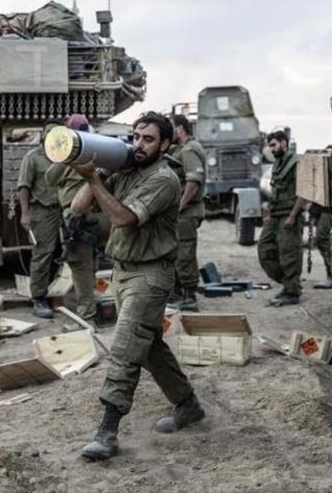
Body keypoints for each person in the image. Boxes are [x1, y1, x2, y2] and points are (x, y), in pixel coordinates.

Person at [70, 111, 204, 461]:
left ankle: (107, 430)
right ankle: (187, 404)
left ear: (164, 143)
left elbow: (123, 218)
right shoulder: (125, 170)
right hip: (124, 273)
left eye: (148, 139)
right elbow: (77, 206)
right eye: (135, 137)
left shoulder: (164, 179)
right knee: (146, 346)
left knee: (126, 347)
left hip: (151, 275)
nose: (138, 145)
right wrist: (97, 175)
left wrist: (98, 182)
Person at [44, 114, 106, 326]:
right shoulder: (98, 151)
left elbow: (49, 179)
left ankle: (86, 321)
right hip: (98, 217)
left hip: (77, 219)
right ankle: (93, 313)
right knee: (91, 267)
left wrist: (64, 154)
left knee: (80, 270)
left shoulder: (71, 154)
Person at [18, 124, 63, 318]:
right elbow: (23, 187)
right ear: (44, 137)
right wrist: (25, 213)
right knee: (42, 255)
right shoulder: (32, 157)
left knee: (71, 252)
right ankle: (38, 299)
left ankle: (66, 296)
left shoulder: (64, 156)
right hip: (42, 211)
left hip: (64, 209)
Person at [257, 130, 305, 306]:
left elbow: (303, 192)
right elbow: (274, 191)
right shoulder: (277, 164)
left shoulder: (295, 162)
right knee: (264, 249)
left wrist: (293, 216)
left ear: (284, 143)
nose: (271, 149)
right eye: (269, 146)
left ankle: (292, 291)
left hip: (289, 214)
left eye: (274, 145)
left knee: (289, 253)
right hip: (275, 214)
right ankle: (287, 283)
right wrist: (268, 213)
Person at [166, 114, 206, 312]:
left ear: (180, 129)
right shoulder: (180, 149)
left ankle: (190, 295)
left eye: (170, 128)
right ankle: (178, 292)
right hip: (183, 211)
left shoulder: (189, 150)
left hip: (187, 211)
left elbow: (193, 181)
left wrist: (180, 205)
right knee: (176, 251)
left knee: (185, 253)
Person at [309, 204, 332, 289]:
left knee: (324, 237)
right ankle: (331, 274)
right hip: (323, 206)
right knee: (323, 238)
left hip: (329, 206)